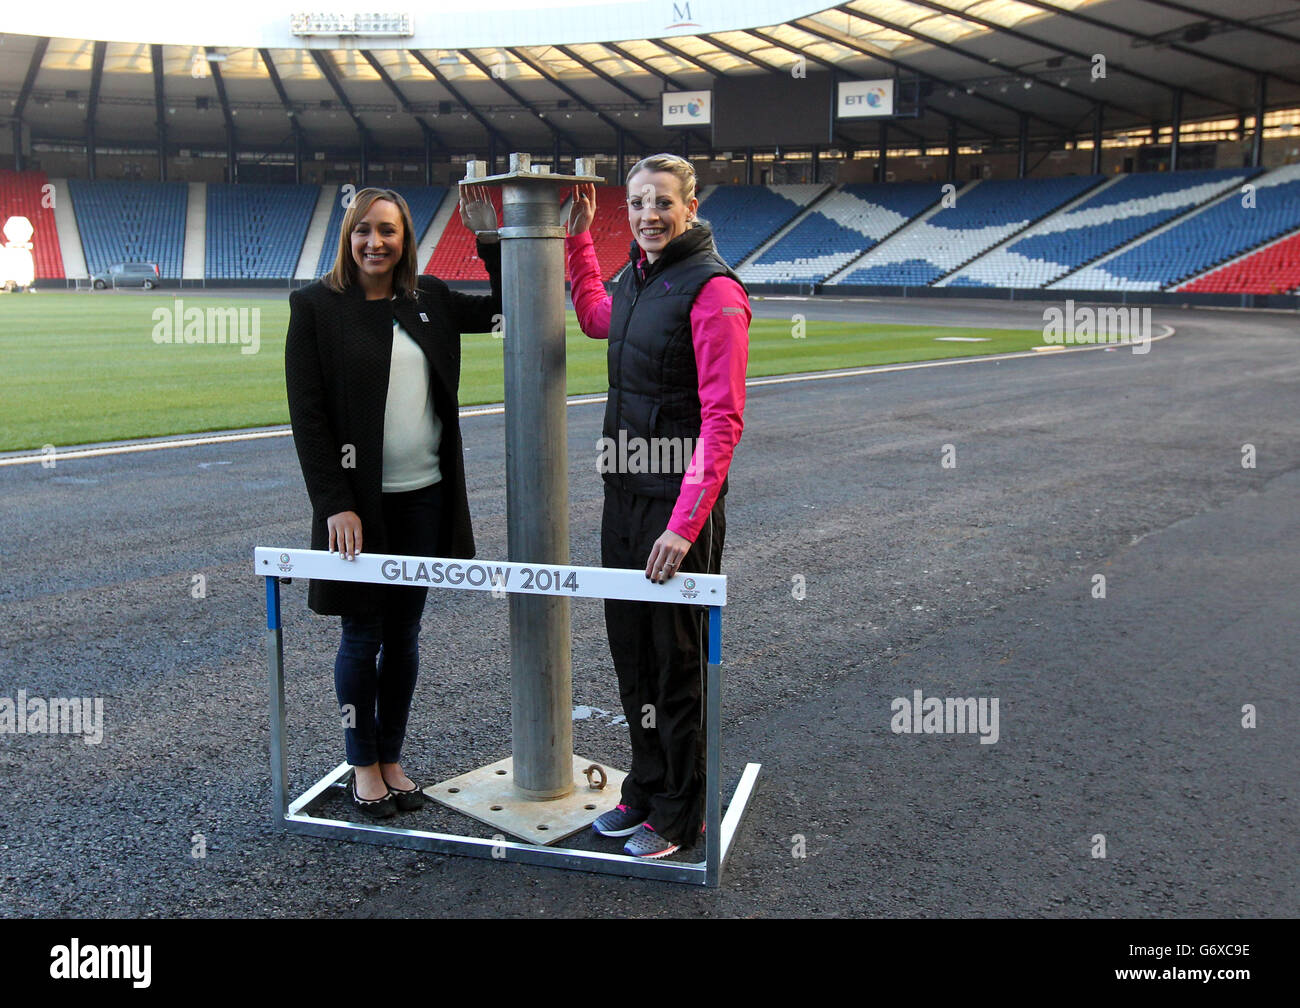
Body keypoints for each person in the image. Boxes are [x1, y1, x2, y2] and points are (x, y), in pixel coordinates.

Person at [285, 185, 501, 818]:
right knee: (361, 635)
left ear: (405, 239)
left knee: (405, 634)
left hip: (424, 498)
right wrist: (334, 503)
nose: (374, 242)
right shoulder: (316, 307)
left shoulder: (427, 298)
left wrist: (489, 239)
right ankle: (362, 765)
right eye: (362, 230)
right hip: (359, 507)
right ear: (347, 237)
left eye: (387, 230)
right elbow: (309, 416)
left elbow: (503, 313)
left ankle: (392, 755)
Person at [566, 155, 750, 858]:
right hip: (625, 497)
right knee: (632, 657)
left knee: (675, 668)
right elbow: (594, 318)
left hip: (678, 513)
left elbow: (722, 420)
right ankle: (645, 789)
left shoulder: (714, 293)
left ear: (691, 205)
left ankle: (680, 815)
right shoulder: (638, 281)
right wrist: (580, 240)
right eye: (638, 202)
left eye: (662, 202)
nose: (648, 214)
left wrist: (683, 525)